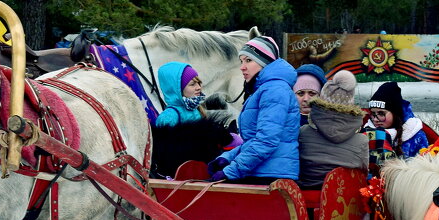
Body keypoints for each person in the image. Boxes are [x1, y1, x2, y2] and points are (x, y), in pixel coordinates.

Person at [208, 36, 299, 184]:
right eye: (241, 61)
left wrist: (230, 171)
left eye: (248, 60)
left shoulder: (274, 90)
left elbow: (266, 141)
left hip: (270, 175)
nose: (242, 67)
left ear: (265, 62)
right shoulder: (265, 89)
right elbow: (253, 141)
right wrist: (226, 158)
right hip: (261, 170)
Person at [150, 62, 238, 178]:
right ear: (176, 89)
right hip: (181, 175)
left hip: (201, 170)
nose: (198, 87)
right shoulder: (169, 116)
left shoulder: (196, 109)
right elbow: (167, 153)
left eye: (199, 83)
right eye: (192, 84)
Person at [298, 70, 369, 189]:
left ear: (320, 103)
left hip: (307, 201)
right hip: (345, 203)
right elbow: (363, 174)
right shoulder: (362, 141)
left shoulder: (303, 133)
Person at [365, 81, 429, 166]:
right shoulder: (366, 134)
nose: (375, 119)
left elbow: (423, 169)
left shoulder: (415, 137)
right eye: (373, 114)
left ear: (395, 113)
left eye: (381, 113)